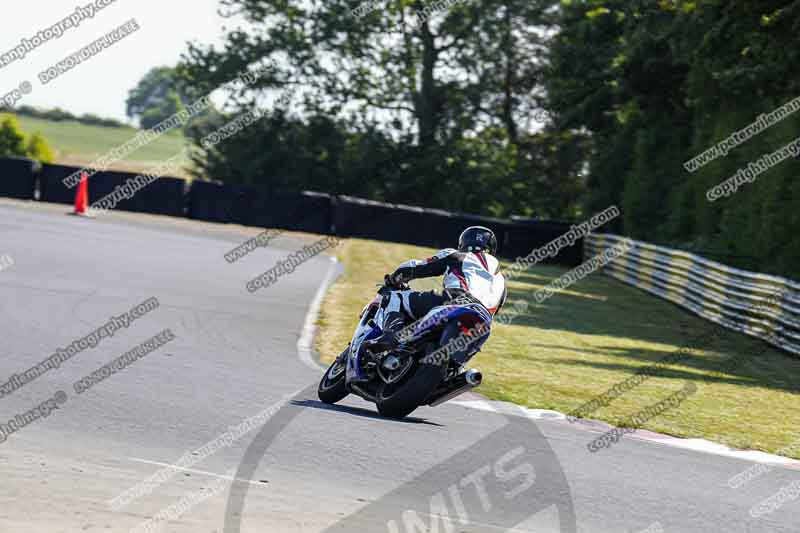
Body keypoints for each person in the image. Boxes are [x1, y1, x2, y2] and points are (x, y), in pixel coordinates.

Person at [365, 226, 507, 354]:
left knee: (395, 297)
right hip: (483, 321)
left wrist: (393, 279)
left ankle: (389, 338)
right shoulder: (502, 281)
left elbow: (414, 267)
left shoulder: (456, 255)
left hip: (455, 300)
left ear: (463, 243)